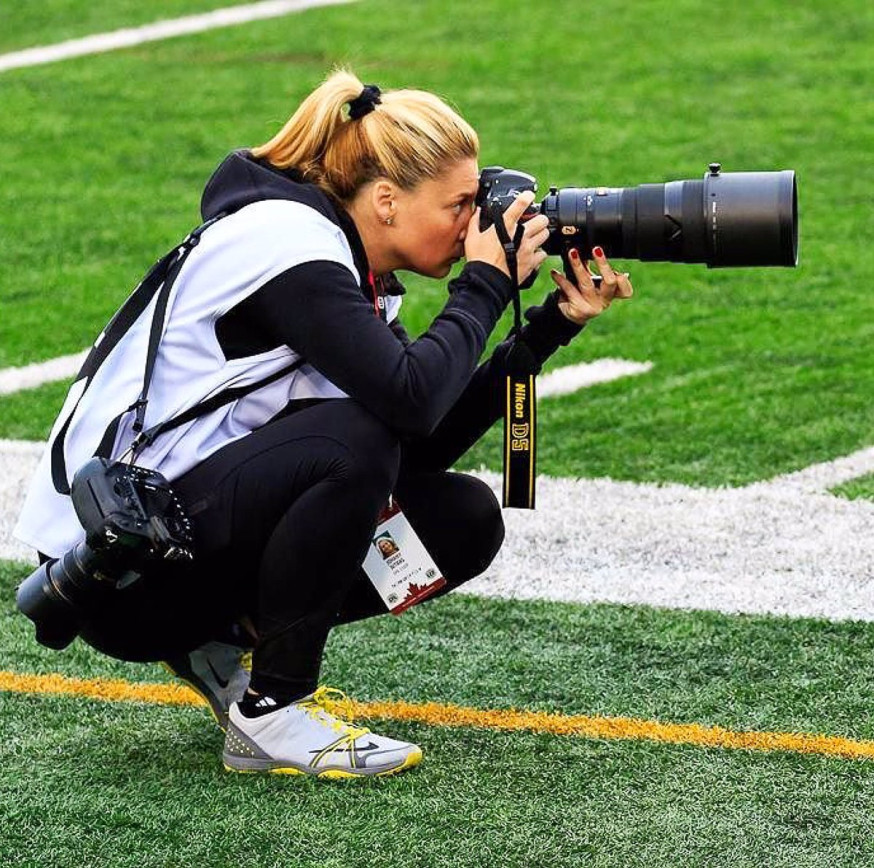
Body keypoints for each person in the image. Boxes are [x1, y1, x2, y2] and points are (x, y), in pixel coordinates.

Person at [14, 70, 632, 778]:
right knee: (352, 439)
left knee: (463, 516)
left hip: (171, 546)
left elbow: (421, 442)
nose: (473, 225)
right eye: (459, 204)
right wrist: (486, 283)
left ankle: (219, 644)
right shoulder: (286, 242)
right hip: (113, 573)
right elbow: (403, 405)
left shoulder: (339, 261)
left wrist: (550, 326)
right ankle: (271, 712)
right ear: (387, 200)